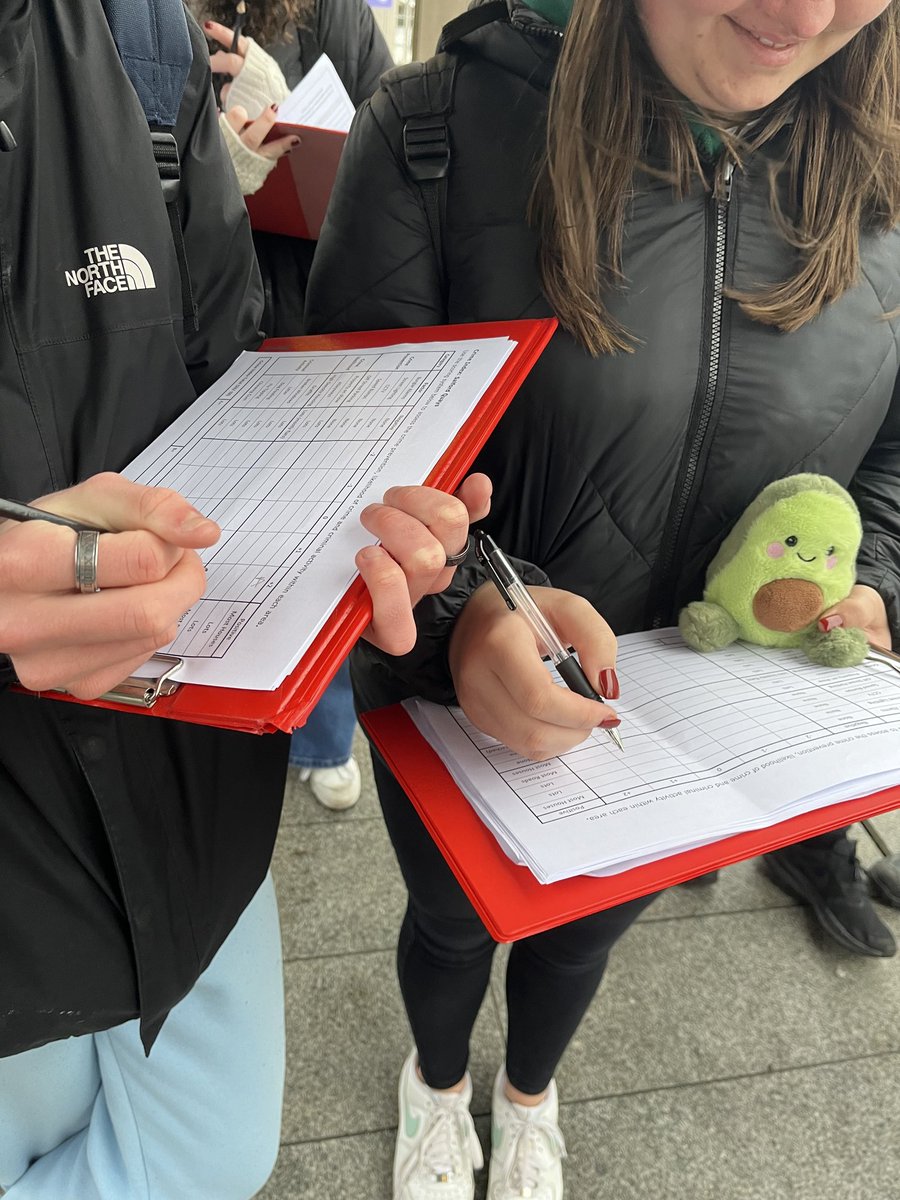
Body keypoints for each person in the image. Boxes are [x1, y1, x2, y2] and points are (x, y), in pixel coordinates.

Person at [304, 0, 900, 1195]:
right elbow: (341, 476)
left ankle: (529, 1093)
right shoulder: (436, 130)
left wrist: (871, 578)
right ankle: (435, 1083)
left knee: (584, 936)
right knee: (452, 922)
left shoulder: (884, 173)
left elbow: (888, 458)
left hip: (694, 736)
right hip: (454, 707)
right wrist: (467, 609)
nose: (799, 14)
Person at [0, 3, 488, 1198]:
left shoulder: (135, 36)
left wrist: (367, 547)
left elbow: (224, 383)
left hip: (188, 793)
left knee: (210, 1159)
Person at [199, 0, 395, 809]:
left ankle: (320, 731)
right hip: (201, 323)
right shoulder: (132, 21)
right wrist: (219, 163)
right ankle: (213, 722)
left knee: (320, 543)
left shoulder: (333, 12)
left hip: (315, 312)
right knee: (210, 537)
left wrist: (303, 124)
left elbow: (395, 149)